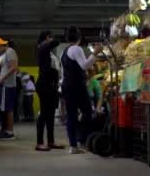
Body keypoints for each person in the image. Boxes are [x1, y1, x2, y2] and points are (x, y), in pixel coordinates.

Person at [61, 26, 103, 154]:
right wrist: (95, 53)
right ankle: (82, 140)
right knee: (87, 112)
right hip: (76, 86)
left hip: (67, 85)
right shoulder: (77, 49)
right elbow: (85, 65)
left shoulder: (65, 51)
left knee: (72, 115)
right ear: (79, 37)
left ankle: (74, 145)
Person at [35, 30, 64, 152]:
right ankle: (39, 143)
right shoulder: (42, 48)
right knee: (44, 114)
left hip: (51, 85)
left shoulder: (47, 51)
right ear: (47, 38)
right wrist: (51, 40)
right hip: (44, 85)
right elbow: (56, 42)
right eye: (50, 37)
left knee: (51, 114)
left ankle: (51, 141)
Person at [0, 38, 19, 140]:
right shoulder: (6, 54)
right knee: (6, 109)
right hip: (5, 85)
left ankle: (9, 132)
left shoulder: (10, 51)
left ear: (0, 46)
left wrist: (2, 78)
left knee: (8, 109)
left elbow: (14, 67)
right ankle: (6, 130)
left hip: (7, 85)